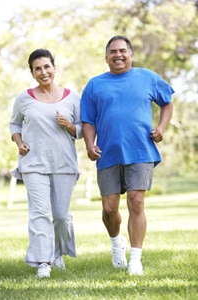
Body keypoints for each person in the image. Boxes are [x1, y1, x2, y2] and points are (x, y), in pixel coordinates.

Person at [80, 35, 174, 276]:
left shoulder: (147, 77)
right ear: (106, 57)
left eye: (123, 50)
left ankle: (135, 259)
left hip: (141, 150)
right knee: (109, 209)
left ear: (131, 54)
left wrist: (161, 128)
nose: (118, 54)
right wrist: (90, 145)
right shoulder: (94, 85)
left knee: (136, 201)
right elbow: (88, 120)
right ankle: (116, 245)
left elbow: (167, 102)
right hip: (108, 153)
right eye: (113, 51)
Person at [9, 49, 82, 278]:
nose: (43, 72)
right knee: (39, 213)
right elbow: (14, 125)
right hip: (33, 164)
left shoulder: (72, 97)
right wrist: (19, 142)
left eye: (46, 66)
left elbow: (83, 130)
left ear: (54, 67)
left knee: (61, 216)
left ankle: (57, 253)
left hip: (64, 164)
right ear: (32, 73)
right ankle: (43, 261)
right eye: (37, 68)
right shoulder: (24, 98)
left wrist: (69, 125)